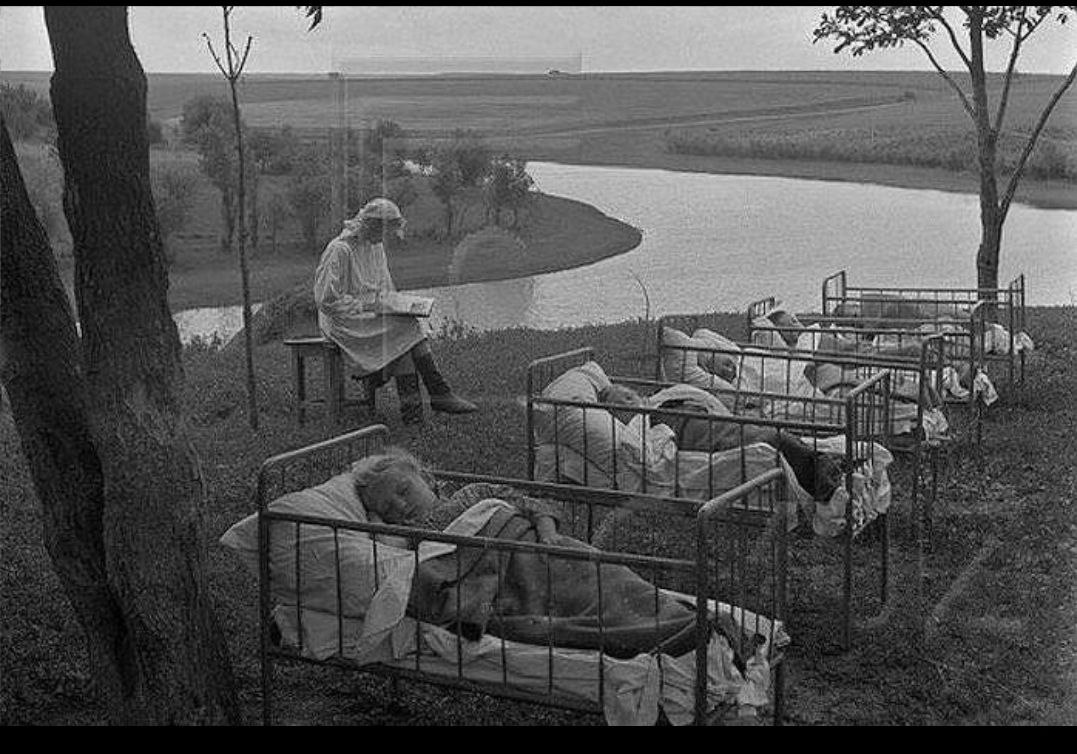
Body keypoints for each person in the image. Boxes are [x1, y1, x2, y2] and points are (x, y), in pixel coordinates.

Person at [350, 447, 762, 665]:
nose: (400, 508)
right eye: (386, 509)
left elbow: (533, 505)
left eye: (403, 492)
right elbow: (427, 575)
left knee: (612, 580)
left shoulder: (471, 494)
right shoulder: (408, 539)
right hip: (504, 579)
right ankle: (680, 631)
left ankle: (681, 619)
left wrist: (547, 537)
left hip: (543, 550)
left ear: (425, 477)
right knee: (583, 614)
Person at [314, 198, 477, 424]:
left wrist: (398, 305)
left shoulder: (376, 248)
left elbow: (385, 289)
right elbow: (326, 300)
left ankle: (416, 416)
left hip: (369, 316)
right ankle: (437, 393)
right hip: (340, 321)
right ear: (371, 226)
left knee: (404, 334)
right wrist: (367, 306)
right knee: (405, 328)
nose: (384, 238)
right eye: (384, 231)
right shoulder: (340, 250)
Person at [598, 383, 846, 502]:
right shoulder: (642, 427)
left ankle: (829, 472)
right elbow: (657, 452)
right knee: (774, 441)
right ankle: (828, 482)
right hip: (709, 439)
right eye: (622, 406)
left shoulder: (664, 400)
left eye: (629, 396)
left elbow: (705, 401)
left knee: (778, 435)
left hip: (721, 426)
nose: (631, 402)